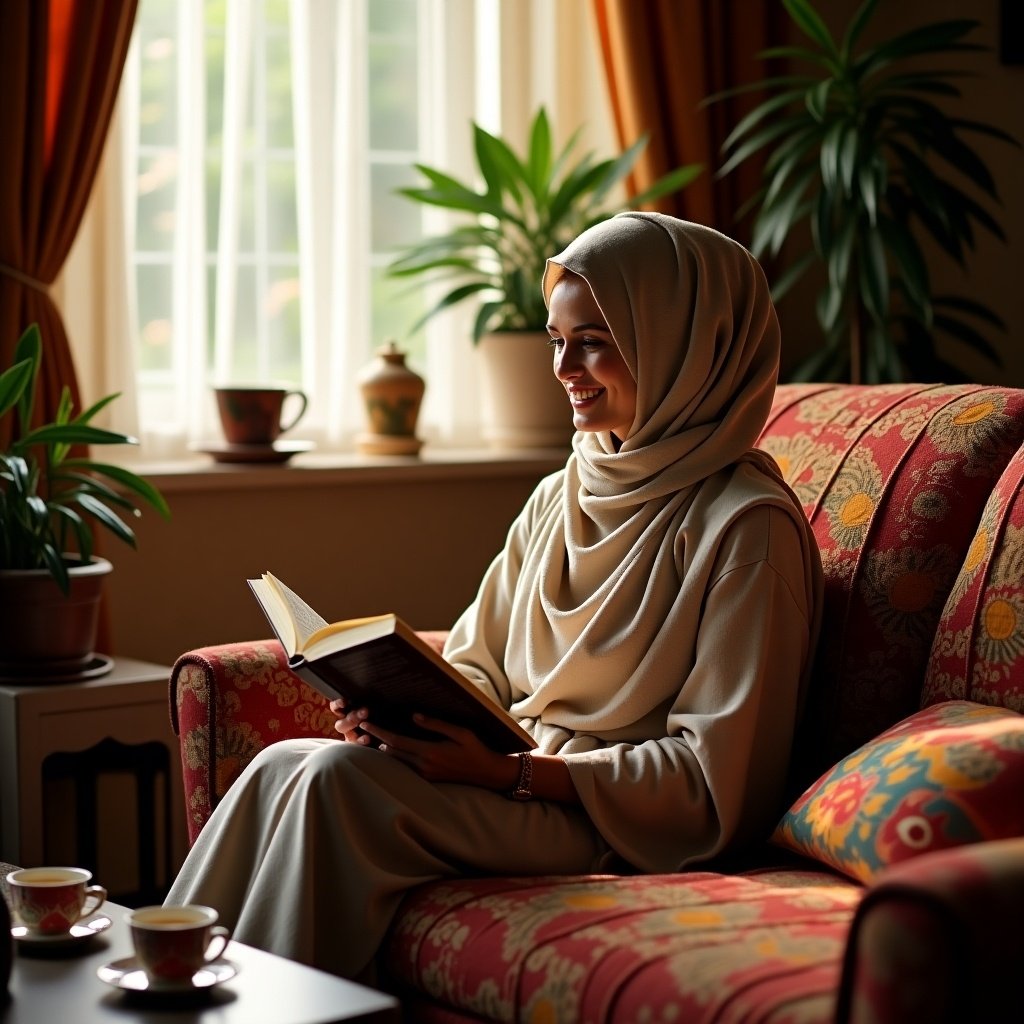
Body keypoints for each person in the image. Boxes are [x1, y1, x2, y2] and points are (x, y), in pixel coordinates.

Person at [165, 212, 823, 981]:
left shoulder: (747, 528)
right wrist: (397, 718)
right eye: (556, 340)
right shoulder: (563, 493)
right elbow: (477, 666)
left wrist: (510, 774)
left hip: (601, 815)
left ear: (683, 344)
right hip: (513, 780)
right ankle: (164, 986)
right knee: (285, 763)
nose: (564, 368)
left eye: (595, 341)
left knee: (330, 786)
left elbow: (714, 787)